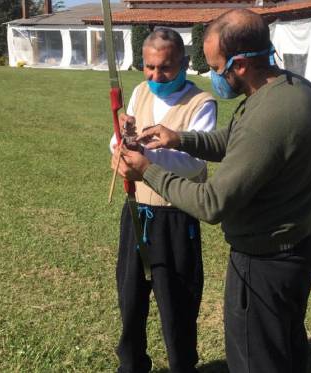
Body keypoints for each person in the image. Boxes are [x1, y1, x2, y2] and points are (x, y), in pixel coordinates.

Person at [112, 9, 311, 373]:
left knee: (254, 360)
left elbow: (212, 203)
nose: (213, 76)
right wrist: (180, 138)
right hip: (297, 247)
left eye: (216, 68)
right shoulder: (290, 89)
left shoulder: (268, 118)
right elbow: (232, 140)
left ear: (240, 64)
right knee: (285, 350)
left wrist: (147, 170)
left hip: (266, 262)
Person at [110, 28, 217, 373]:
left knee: (177, 304)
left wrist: (146, 158)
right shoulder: (140, 92)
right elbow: (116, 146)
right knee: (130, 299)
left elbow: (195, 163)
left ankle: (182, 366)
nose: (156, 75)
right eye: (149, 67)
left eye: (165, 68)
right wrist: (121, 139)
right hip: (136, 211)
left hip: (175, 216)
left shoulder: (201, 104)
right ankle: (131, 365)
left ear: (184, 63)